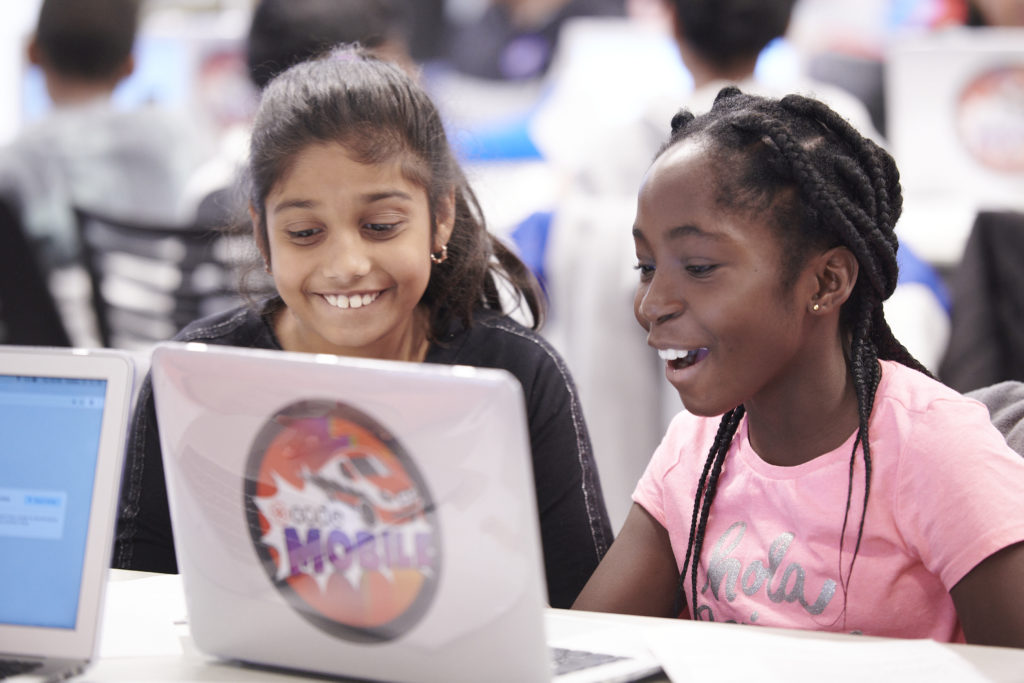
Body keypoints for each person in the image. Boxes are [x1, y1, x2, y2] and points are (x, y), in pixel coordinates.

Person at [114, 46, 613, 610]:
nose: (347, 263)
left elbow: (583, 613)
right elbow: (140, 592)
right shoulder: (198, 375)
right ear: (262, 236)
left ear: (440, 217)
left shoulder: (518, 374)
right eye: (305, 233)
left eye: (380, 226)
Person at [572, 87, 1024, 647]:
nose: (651, 303)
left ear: (826, 282)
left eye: (699, 266)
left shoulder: (934, 451)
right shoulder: (695, 447)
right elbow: (586, 647)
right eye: (646, 266)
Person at [0, 0, 209, 346]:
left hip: (70, 374)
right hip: (176, 362)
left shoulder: (13, 168)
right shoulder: (186, 142)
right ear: (131, 65)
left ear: (31, 52)